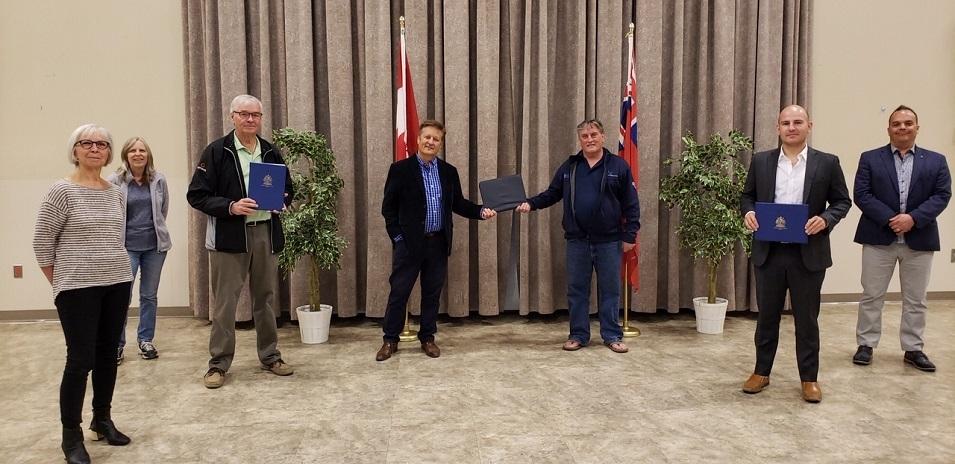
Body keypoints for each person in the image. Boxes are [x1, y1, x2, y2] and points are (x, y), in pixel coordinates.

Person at [34, 124, 134, 464]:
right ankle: (71, 437)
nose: (95, 148)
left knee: (108, 353)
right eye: (87, 143)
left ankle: (102, 419)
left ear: (108, 152)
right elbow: (42, 243)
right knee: (80, 360)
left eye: (102, 144)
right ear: (74, 150)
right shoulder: (61, 191)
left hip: (118, 280)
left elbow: (115, 236)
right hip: (76, 288)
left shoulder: (115, 191)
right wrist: (62, 283)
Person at [740, 105, 851, 403]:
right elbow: (747, 196)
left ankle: (809, 379)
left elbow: (842, 201)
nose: (792, 127)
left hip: (808, 255)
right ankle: (761, 372)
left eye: (797, 122)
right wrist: (748, 212)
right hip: (769, 253)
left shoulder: (827, 163)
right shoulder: (762, 161)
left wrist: (826, 219)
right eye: (786, 122)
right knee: (766, 318)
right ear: (777, 128)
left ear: (809, 126)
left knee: (807, 319)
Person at [187, 94, 294, 388]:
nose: (250, 120)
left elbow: (288, 190)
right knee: (225, 304)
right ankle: (218, 364)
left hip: (265, 234)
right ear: (232, 116)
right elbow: (196, 195)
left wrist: (283, 202)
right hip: (230, 237)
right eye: (244, 114)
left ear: (261, 118)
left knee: (266, 299)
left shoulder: (270, 152)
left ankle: (270, 356)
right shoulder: (216, 152)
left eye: (256, 115)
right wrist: (230, 206)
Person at [376, 119, 496, 361]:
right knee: (399, 293)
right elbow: (388, 208)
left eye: (436, 139)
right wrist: (398, 238)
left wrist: (481, 212)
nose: (431, 142)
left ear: (441, 144)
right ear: (418, 140)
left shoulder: (449, 172)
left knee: (432, 294)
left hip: (438, 243)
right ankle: (390, 339)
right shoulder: (400, 169)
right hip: (408, 244)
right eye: (427, 137)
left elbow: (459, 204)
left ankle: (428, 337)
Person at [516, 119, 640, 354]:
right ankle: (579, 334)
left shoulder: (619, 166)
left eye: (594, 134)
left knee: (610, 290)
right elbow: (552, 194)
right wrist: (530, 204)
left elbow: (631, 205)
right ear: (580, 140)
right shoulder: (570, 167)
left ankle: (612, 335)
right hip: (577, 241)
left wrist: (630, 235)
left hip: (610, 241)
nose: (590, 139)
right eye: (585, 136)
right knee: (577, 290)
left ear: (603, 137)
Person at [851, 105, 951, 371]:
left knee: (916, 299)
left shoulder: (936, 160)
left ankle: (913, 348)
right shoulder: (870, 158)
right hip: (878, 238)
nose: (902, 128)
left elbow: (942, 195)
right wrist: (892, 219)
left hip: (920, 238)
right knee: (872, 295)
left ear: (917, 128)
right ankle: (866, 344)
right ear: (889, 129)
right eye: (897, 124)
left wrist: (913, 219)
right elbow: (862, 194)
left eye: (908, 123)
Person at [108, 137, 171, 364]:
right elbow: (111, 214)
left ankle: (146, 340)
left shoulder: (158, 180)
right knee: (121, 297)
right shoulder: (115, 181)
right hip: (126, 248)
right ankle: (116, 344)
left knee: (149, 296)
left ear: (148, 155)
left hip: (155, 247)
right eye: (133, 150)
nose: (138, 154)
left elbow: (162, 212)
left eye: (142, 150)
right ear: (126, 155)